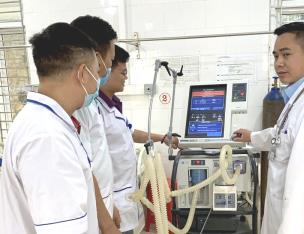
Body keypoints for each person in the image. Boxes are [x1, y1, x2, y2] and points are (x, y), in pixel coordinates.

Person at [233, 22, 304, 234]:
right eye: (275, 56)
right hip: (282, 218)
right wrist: (252, 136)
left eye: (286, 54)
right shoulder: (299, 96)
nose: (278, 63)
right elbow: (281, 135)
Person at [0, 22, 100, 234]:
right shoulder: (47, 137)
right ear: (83, 74)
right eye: (96, 72)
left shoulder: (46, 123)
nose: (97, 81)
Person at [97, 45, 179, 234]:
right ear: (105, 69)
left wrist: (162, 138)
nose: (126, 77)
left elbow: (131, 132)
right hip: (111, 204)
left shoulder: (112, 106)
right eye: (123, 72)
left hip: (125, 199)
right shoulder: (95, 109)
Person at [71, 15, 120, 232]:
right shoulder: (78, 106)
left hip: (102, 208)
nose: (110, 67)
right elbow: (86, 171)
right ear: (97, 59)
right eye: (111, 62)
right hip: (91, 218)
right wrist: (107, 224)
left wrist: (112, 206)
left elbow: (98, 162)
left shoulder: (90, 100)